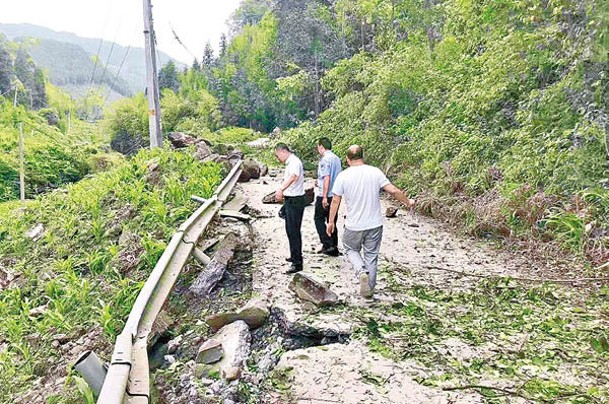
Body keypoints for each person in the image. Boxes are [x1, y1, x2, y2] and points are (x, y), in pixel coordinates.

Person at [327, 145, 415, 298]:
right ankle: (369, 291)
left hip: (354, 224)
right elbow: (393, 190)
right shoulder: (375, 172)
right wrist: (408, 202)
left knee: (351, 249)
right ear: (363, 156)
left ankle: (361, 271)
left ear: (347, 159)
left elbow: (335, 200)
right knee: (371, 256)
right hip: (374, 224)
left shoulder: (343, 176)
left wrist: (330, 221)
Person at [274, 143, 306, 274]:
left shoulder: (294, 162)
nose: (278, 159)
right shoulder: (291, 162)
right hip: (291, 199)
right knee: (290, 230)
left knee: (293, 231)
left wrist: (281, 189)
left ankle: (297, 263)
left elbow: (294, 176)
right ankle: (294, 255)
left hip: (295, 200)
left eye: (277, 156)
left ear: (282, 151)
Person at [314, 137, 342, 256]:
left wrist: (324, 196)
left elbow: (327, 177)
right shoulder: (336, 158)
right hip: (336, 194)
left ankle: (327, 244)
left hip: (325, 194)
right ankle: (334, 245)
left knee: (318, 219)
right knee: (332, 220)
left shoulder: (325, 160)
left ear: (321, 146)